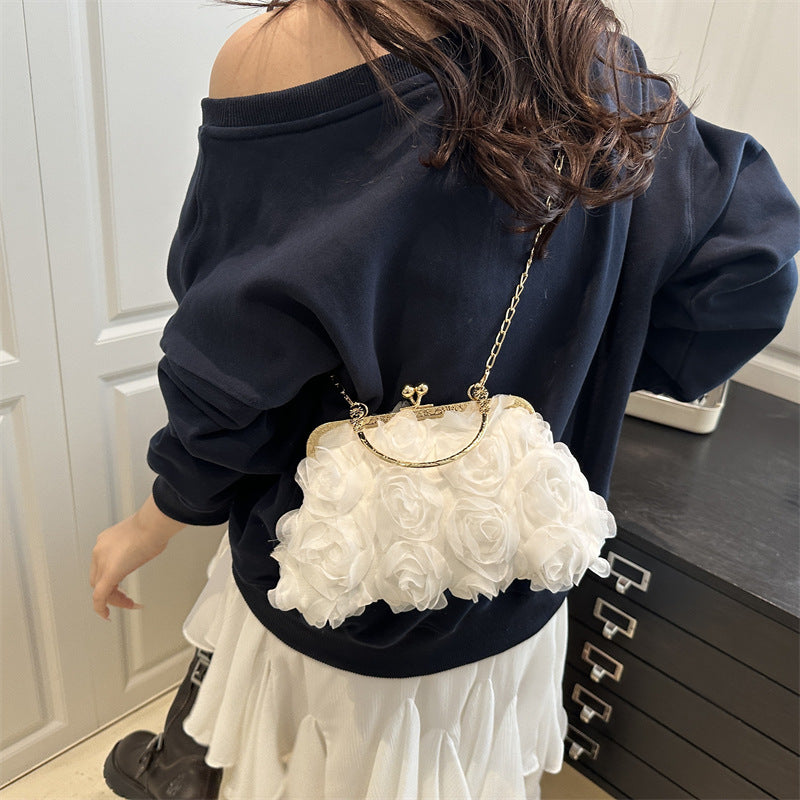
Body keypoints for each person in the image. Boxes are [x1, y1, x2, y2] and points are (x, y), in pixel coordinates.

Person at [90, 0, 800, 798]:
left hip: (328, 591)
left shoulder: (283, 54)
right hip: (511, 588)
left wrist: (157, 517)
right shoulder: (593, 56)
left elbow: (231, 368)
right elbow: (753, 268)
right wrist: (588, 367)